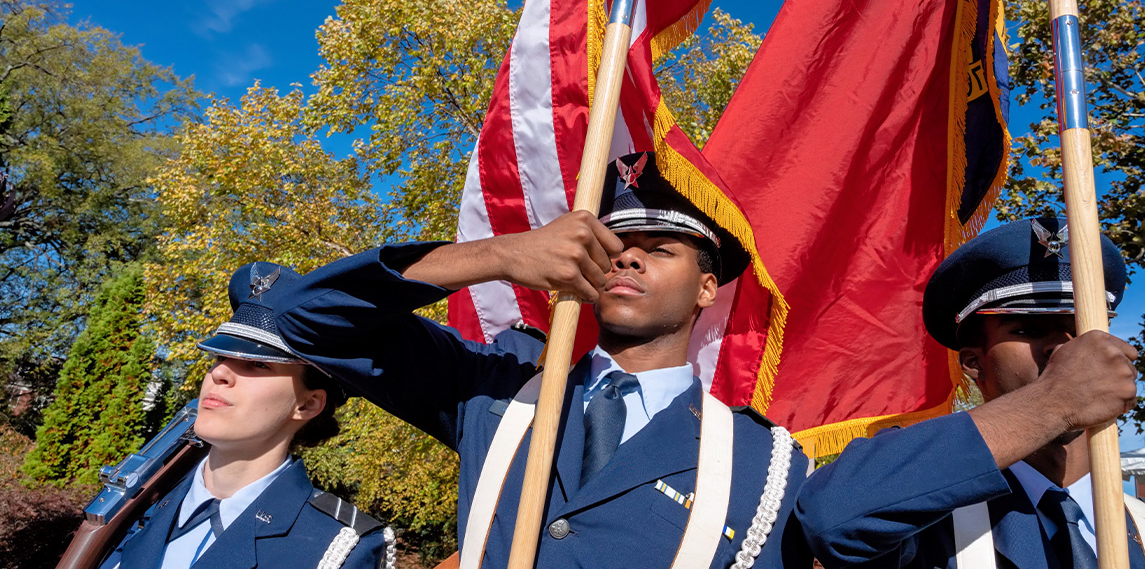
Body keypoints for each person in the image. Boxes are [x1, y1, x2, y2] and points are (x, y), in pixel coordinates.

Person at [272, 152, 812, 568]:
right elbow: (299, 317)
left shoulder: (760, 462)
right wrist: (499, 255)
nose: (625, 255)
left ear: (706, 288)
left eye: (660, 248)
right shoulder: (499, 390)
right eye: (614, 243)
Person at [796, 217, 1142, 569]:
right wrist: (1053, 401)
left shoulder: (1139, 523)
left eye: (1079, 331)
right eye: (1030, 329)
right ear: (975, 363)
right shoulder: (929, 517)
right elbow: (829, 516)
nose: (1064, 350)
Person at [100, 262, 392, 569]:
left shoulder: (338, 547)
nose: (220, 372)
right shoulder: (134, 505)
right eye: (220, 357)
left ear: (307, 404)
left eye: (258, 364)